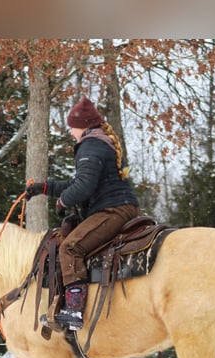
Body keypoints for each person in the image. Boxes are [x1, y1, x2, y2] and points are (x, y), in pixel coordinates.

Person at [25, 96, 141, 331]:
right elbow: (81, 183)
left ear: (83, 126)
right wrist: (44, 188)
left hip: (113, 210)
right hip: (120, 206)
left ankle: (75, 310)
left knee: (70, 247)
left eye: (72, 127)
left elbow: (84, 186)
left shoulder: (91, 145)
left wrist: (63, 201)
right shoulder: (98, 142)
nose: (71, 133)